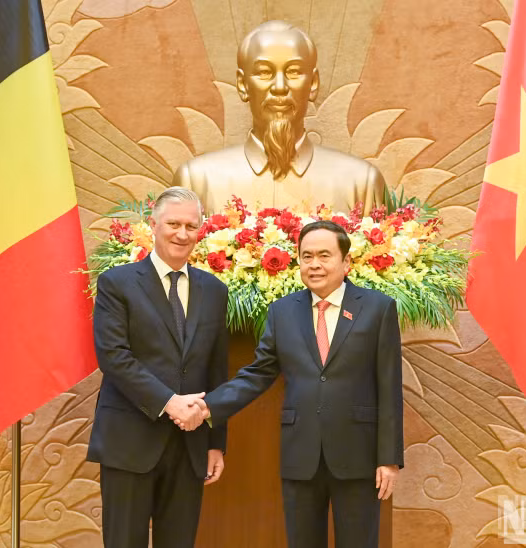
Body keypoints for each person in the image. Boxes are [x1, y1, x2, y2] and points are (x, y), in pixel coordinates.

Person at [178, 220, 403, 548]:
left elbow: (389, 386)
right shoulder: (283, 311)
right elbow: (257, 373)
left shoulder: (378, 309)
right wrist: (208, 405)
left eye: (324, 255)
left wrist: (389, 458)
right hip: (301, 455)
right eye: (306, 256)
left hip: (360, 456)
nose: (315, 264)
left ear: (346, 262)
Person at [87, 187, 229, 548]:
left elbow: (216, 369)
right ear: (153, 224)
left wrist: (216, 443)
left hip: (190, 446)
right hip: (130, 440)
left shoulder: (214, 290)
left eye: (191, 226)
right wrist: (170, 402)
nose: (182, 234)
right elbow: (114, 356)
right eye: (174, 224)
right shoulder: (117, 283)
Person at [173, 20, 386, 216]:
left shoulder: (361, 184)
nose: (280, 87)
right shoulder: (197, 181)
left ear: (312, 83)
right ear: (242, 84)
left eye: (293, 72)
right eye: (264, 72)